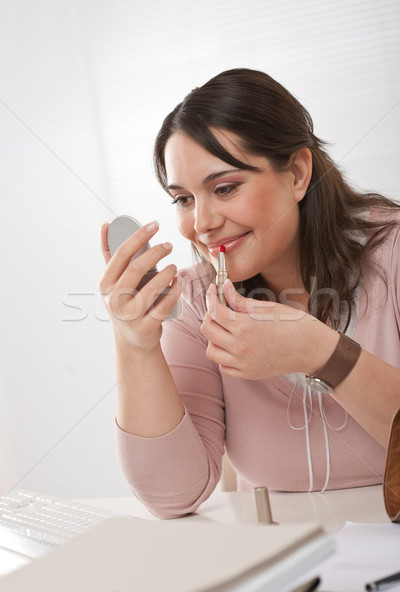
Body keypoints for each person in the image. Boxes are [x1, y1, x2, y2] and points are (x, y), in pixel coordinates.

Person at [100, 68, 400, 518]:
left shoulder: (393, 254)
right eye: (183, 199)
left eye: (225, 188)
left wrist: (322, 354)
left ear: (298, 174)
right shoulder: (197, 301)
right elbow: (171, 495)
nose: (201, 224)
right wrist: (134, 342)